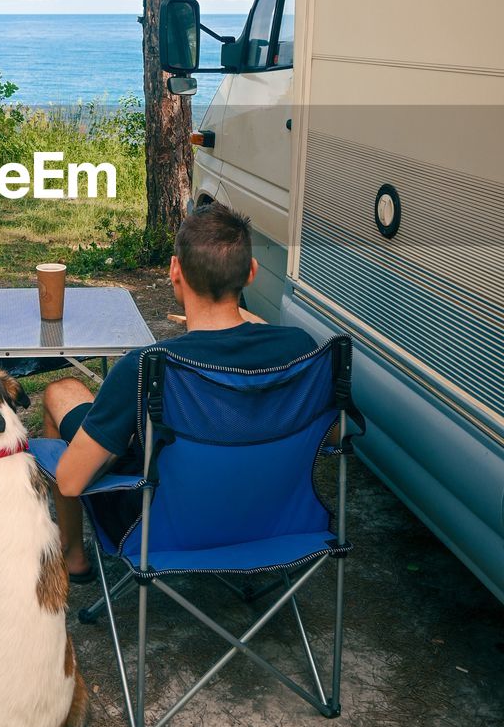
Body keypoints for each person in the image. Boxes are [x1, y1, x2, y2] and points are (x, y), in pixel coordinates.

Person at [42, 203, 316, 581]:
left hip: (159, 528)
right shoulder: (301, 351)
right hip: (276, 521)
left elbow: (71, 481)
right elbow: (330, 435)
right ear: (250, 273)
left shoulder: (147, 366)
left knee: (62, 391)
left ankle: (73, 556)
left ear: (175, 270)